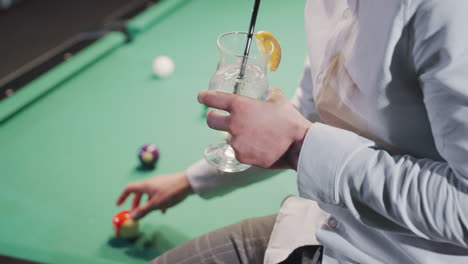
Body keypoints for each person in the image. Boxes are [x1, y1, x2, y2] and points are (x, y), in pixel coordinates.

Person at [117, 0, 468, 263]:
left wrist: (299, 145)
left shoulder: (447, 11)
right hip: (322, 228)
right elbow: (316, 108)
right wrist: (192, 180)